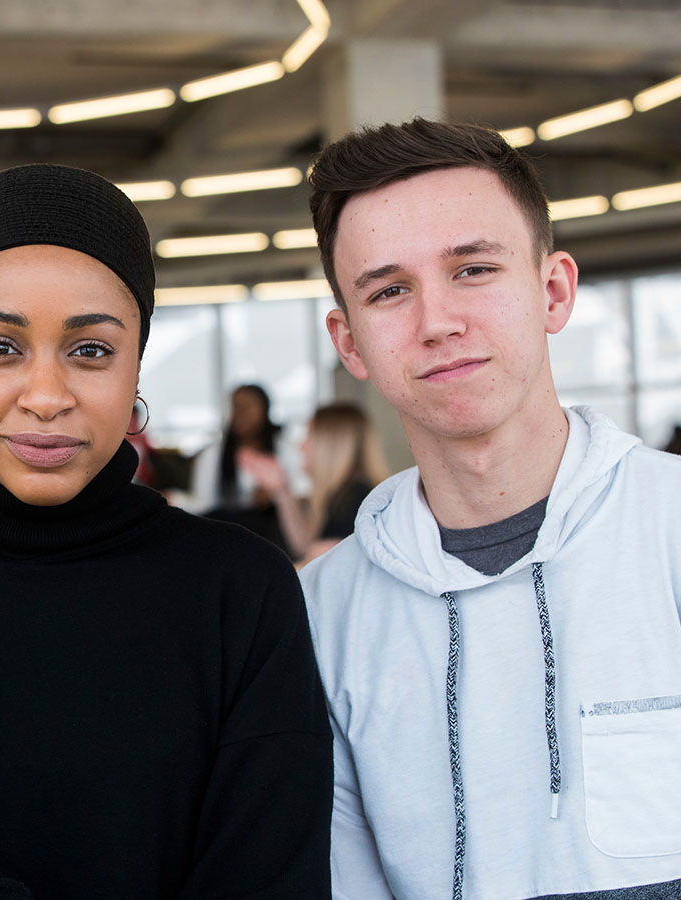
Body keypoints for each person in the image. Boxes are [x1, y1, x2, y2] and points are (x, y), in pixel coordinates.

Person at [0, 164, 332, 898]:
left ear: (136, 367)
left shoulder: (241, 587)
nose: (47, 397)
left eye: (90, 350)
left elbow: (271, 871)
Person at [298, 117, 681, 899]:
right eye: (390, 290)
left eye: (473, 270)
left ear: (553, 290)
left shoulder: (668, 530)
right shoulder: (319, 614)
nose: (437, 322)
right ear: (350, 343)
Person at [241, 401, 389, 566]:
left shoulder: (353, 497)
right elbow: (305, 546)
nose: (301, 444)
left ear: (330, 444)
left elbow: (314, 561)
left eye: (309, 435)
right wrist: (281, 490)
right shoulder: (344, 493)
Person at [185, 384, 290, 550]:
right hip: (227, 539)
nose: (240, 413)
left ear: (265, 409)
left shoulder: (284, 450)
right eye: (235, 406)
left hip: (275, 540)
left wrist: (276, 496)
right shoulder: (213, 454)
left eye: (247, 406)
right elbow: (203, 504)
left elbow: (301, 495)